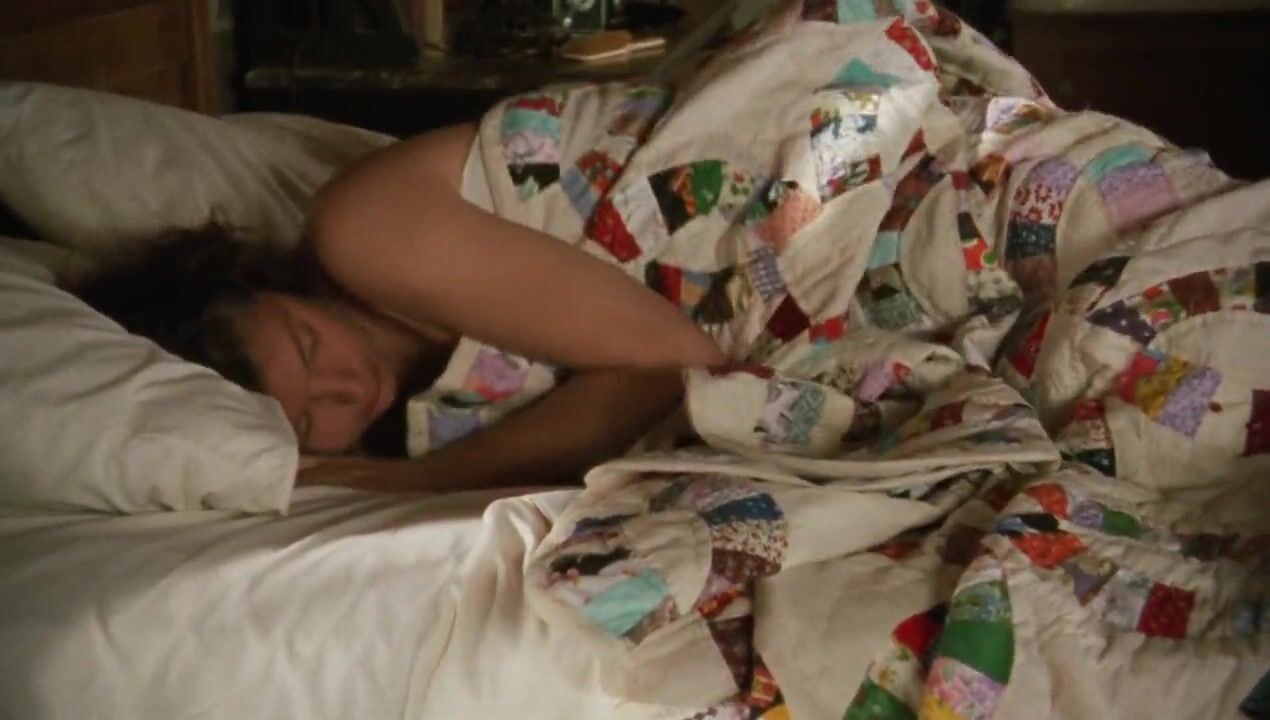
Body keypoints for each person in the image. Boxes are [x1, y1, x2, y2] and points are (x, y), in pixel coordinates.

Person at [77, 123, 726, 494]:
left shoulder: (363, 230)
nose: (346, 386)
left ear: (262, 283)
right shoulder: (436, 417)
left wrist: (414, 483)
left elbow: (676, 361)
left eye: (308, 345)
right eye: (310, 417)